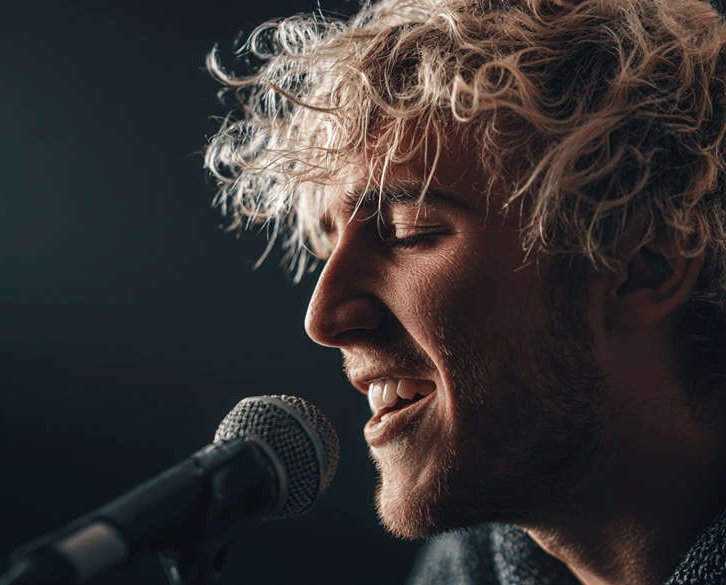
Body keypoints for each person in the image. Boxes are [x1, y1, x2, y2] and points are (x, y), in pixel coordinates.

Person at [203, 0, 726, 583]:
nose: (323, 319)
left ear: (642, 267)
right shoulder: (462, 573)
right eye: (329, 251)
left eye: (410, 231)